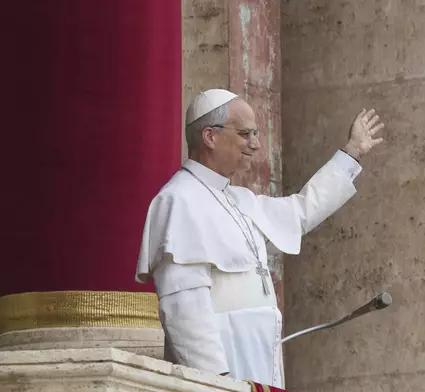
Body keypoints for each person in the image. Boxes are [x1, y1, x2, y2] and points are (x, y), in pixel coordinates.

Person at [135, 89, 384, 388]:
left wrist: (351, 153)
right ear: (210, 137)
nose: (255, 144)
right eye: (245, 134)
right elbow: (184, 308)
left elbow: (300, 211)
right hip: (225, 369)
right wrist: (216, 382)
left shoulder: (239, 200)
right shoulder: (179, 201)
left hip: (258, 362)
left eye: (256, 133)